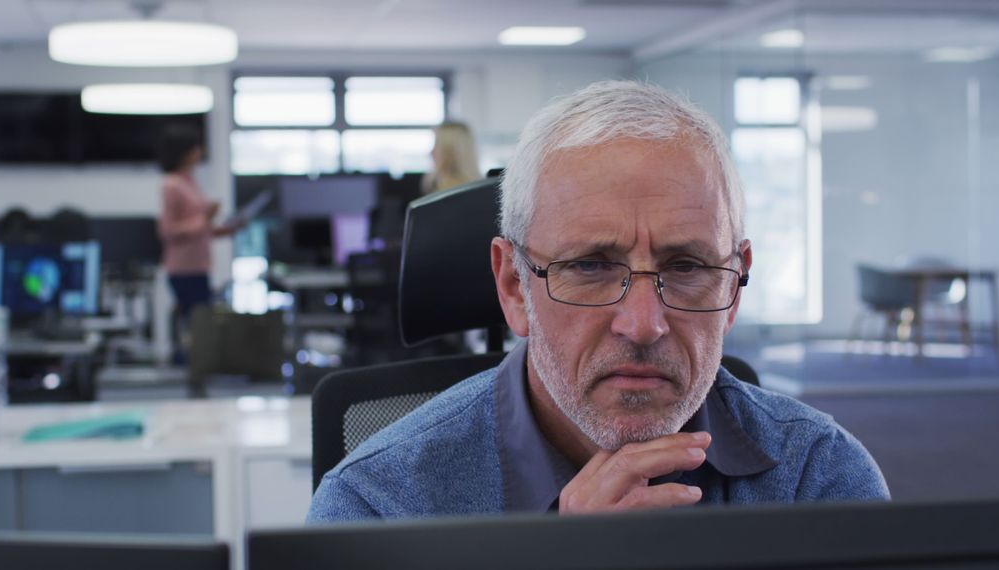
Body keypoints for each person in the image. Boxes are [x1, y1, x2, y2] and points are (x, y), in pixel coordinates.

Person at [308, 80, 889, 523]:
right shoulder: (377, 504)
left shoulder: (818, 478)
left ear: (735, 285)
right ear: (513, 285)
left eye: (686, 267)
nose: (643, 325)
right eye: (589, 266)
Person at [156, 125, 244, 360]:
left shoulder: (190, 181)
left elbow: (200, 228)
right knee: (197, 321)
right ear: (184, 151)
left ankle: (198, 365)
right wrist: (205, 217)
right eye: (195, 147)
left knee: (201, 320)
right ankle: (193, 366)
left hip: (199, 265)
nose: (200, 151)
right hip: (183, 268)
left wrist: (228, 229)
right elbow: (168, 230)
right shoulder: (172, 185)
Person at [421, 120, 482, 195]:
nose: (431, 152)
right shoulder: (479, 189)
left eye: (437, 144)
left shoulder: (450, 194)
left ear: (450, 152)